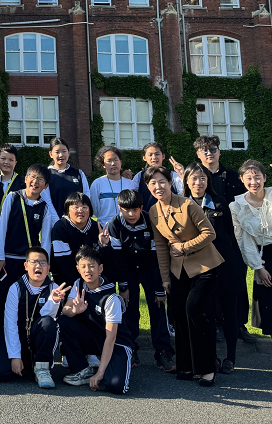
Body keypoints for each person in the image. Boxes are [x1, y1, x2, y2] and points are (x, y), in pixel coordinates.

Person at [146, 165, 223, 386]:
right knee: (178, 314)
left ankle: (207, 368)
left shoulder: (188, 205)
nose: (158, 187)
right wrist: (165, 278)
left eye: (162, 182)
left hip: (205, 266)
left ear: (171, 183)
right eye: (153, 183)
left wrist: (184, 247)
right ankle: (186, 366)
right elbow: (161, 246)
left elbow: (210, 233)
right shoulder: (153, 211)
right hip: (178, 270)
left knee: (195, 312)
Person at [100, 188, 174, 371]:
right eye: (126, 210)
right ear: (119, 208)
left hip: (150, 269)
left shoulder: (151, 221)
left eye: (135, 209)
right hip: (128, 270)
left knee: (157, 308)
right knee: (129, 310)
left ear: (141, 208)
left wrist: (159, 289)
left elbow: (158, 257)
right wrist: (123, 286)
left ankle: (163, 352)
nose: (131, 214)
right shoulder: (115, 224)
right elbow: (117, 259)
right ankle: (131, 349)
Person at [183, 161, 243, 374]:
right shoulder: (182, 206)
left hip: (226, 266)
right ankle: (212, 357)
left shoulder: (219, 202)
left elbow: (228, 234)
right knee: (206, 313)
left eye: (202, 178)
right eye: (194, 178)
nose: (198, 182)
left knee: (229, 313)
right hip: (200, 269)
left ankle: (231, 358)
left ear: (208, 181)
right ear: (186, 181)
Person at [59, 245, 134, 393]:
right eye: (83, 267)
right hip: (94, 338)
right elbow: (65, 310)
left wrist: (100, 372)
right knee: (64, 321)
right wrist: (74, 310)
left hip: (116, 343)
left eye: (92, 266)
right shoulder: (78, 284)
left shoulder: (111, 298)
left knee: (116, 385)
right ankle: (82, 370)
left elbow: (111, 338)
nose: (88, 270)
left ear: (100, 269)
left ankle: (107, 369)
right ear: (78, 269)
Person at [0, 164, 56, 332]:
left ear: (46, 186)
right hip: (9, 259)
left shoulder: (45, 208)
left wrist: (43, 263)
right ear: (26, 179)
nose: (35, 182)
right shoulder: (13, 198)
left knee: (26, 298)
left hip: (29, 263)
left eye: (40, 180)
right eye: (32, 177)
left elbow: (46, 240)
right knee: (3, 297)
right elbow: (2, 229)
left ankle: (23, 332)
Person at [0, 245, 67, 389]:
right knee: (1, 372)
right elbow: (10, 324)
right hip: (19, 336)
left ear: (48, 268)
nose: (38, 266)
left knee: (48, 323)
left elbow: (48, 322)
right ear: (26, 266)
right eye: (34, 262)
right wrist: (15, 356)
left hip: (37, 337)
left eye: (42, 262)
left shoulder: (54, 288)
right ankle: (24, 361)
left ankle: (42, 368)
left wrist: (54, 301)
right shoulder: (16, 288)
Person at [230, 160, 272, 337]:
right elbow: (244, 241)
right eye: (249, 178)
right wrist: (258, 268)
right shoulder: (236, 206)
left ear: (265, 178)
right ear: (241, 179)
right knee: (268, 299)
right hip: (261, 254)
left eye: (257, 177)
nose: (254, 182)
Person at [49, 191, 100, 286]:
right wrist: (79, 285)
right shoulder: (60, 227)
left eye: (84, 207)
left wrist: (105, 244)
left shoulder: (96, 227)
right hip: (65, 279)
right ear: (68, 210)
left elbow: (101, 259)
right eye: (76, 207)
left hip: (92, 279)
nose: (80, 210)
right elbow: (63, 262)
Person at [90, 146, 137, 227]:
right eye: (109, 161)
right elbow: (94, 210)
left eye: (116, 160)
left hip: (127, 228)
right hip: (104, 227)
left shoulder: (130, 183)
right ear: (103, 164)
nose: (113, 163)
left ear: (120, 162)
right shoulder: (97, 183)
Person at [132, 142, 184, 211]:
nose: (154, 157)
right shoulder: (139, 176)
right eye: (150, 155)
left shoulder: (173, 175)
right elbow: (133, 197)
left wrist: (182, 175)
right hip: (147, 216)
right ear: (144, 158)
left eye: (157, 154)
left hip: (171, 214)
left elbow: (182, 193)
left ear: (163, 156)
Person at [46, 137, 90, 216]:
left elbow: (86, 197)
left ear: (68, 153)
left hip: (77, 221)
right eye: (57, 152)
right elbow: (47, 201)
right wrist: (56, 221)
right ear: (51, 154)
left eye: (64, 151)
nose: (61, 155)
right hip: (54, 221)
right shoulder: (47, 175)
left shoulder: (79, 174)